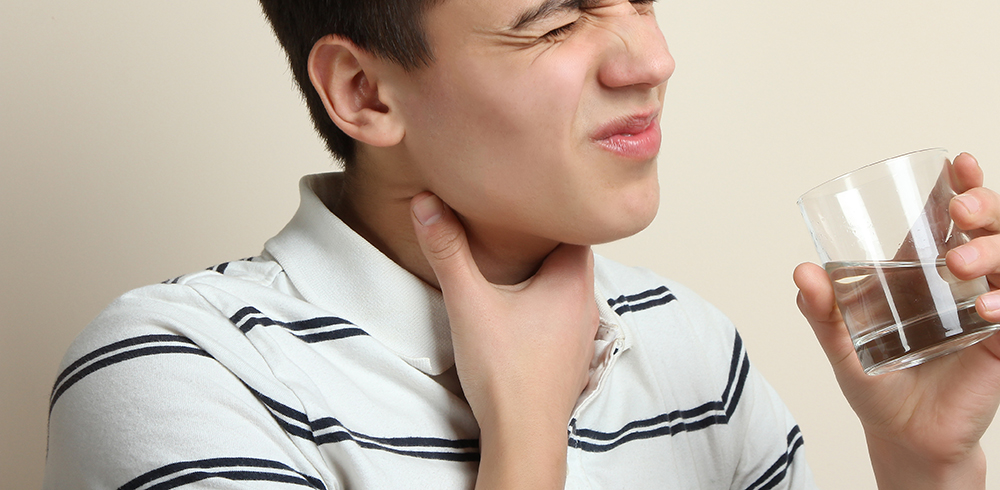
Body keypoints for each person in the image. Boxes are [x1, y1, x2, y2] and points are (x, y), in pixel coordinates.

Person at [43, 0, 1000, 488]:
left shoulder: (691, 350)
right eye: (552, 18)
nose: (649, 58)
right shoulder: (179, 371)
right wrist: (526, 440)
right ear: (365, 94)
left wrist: (926, 459)